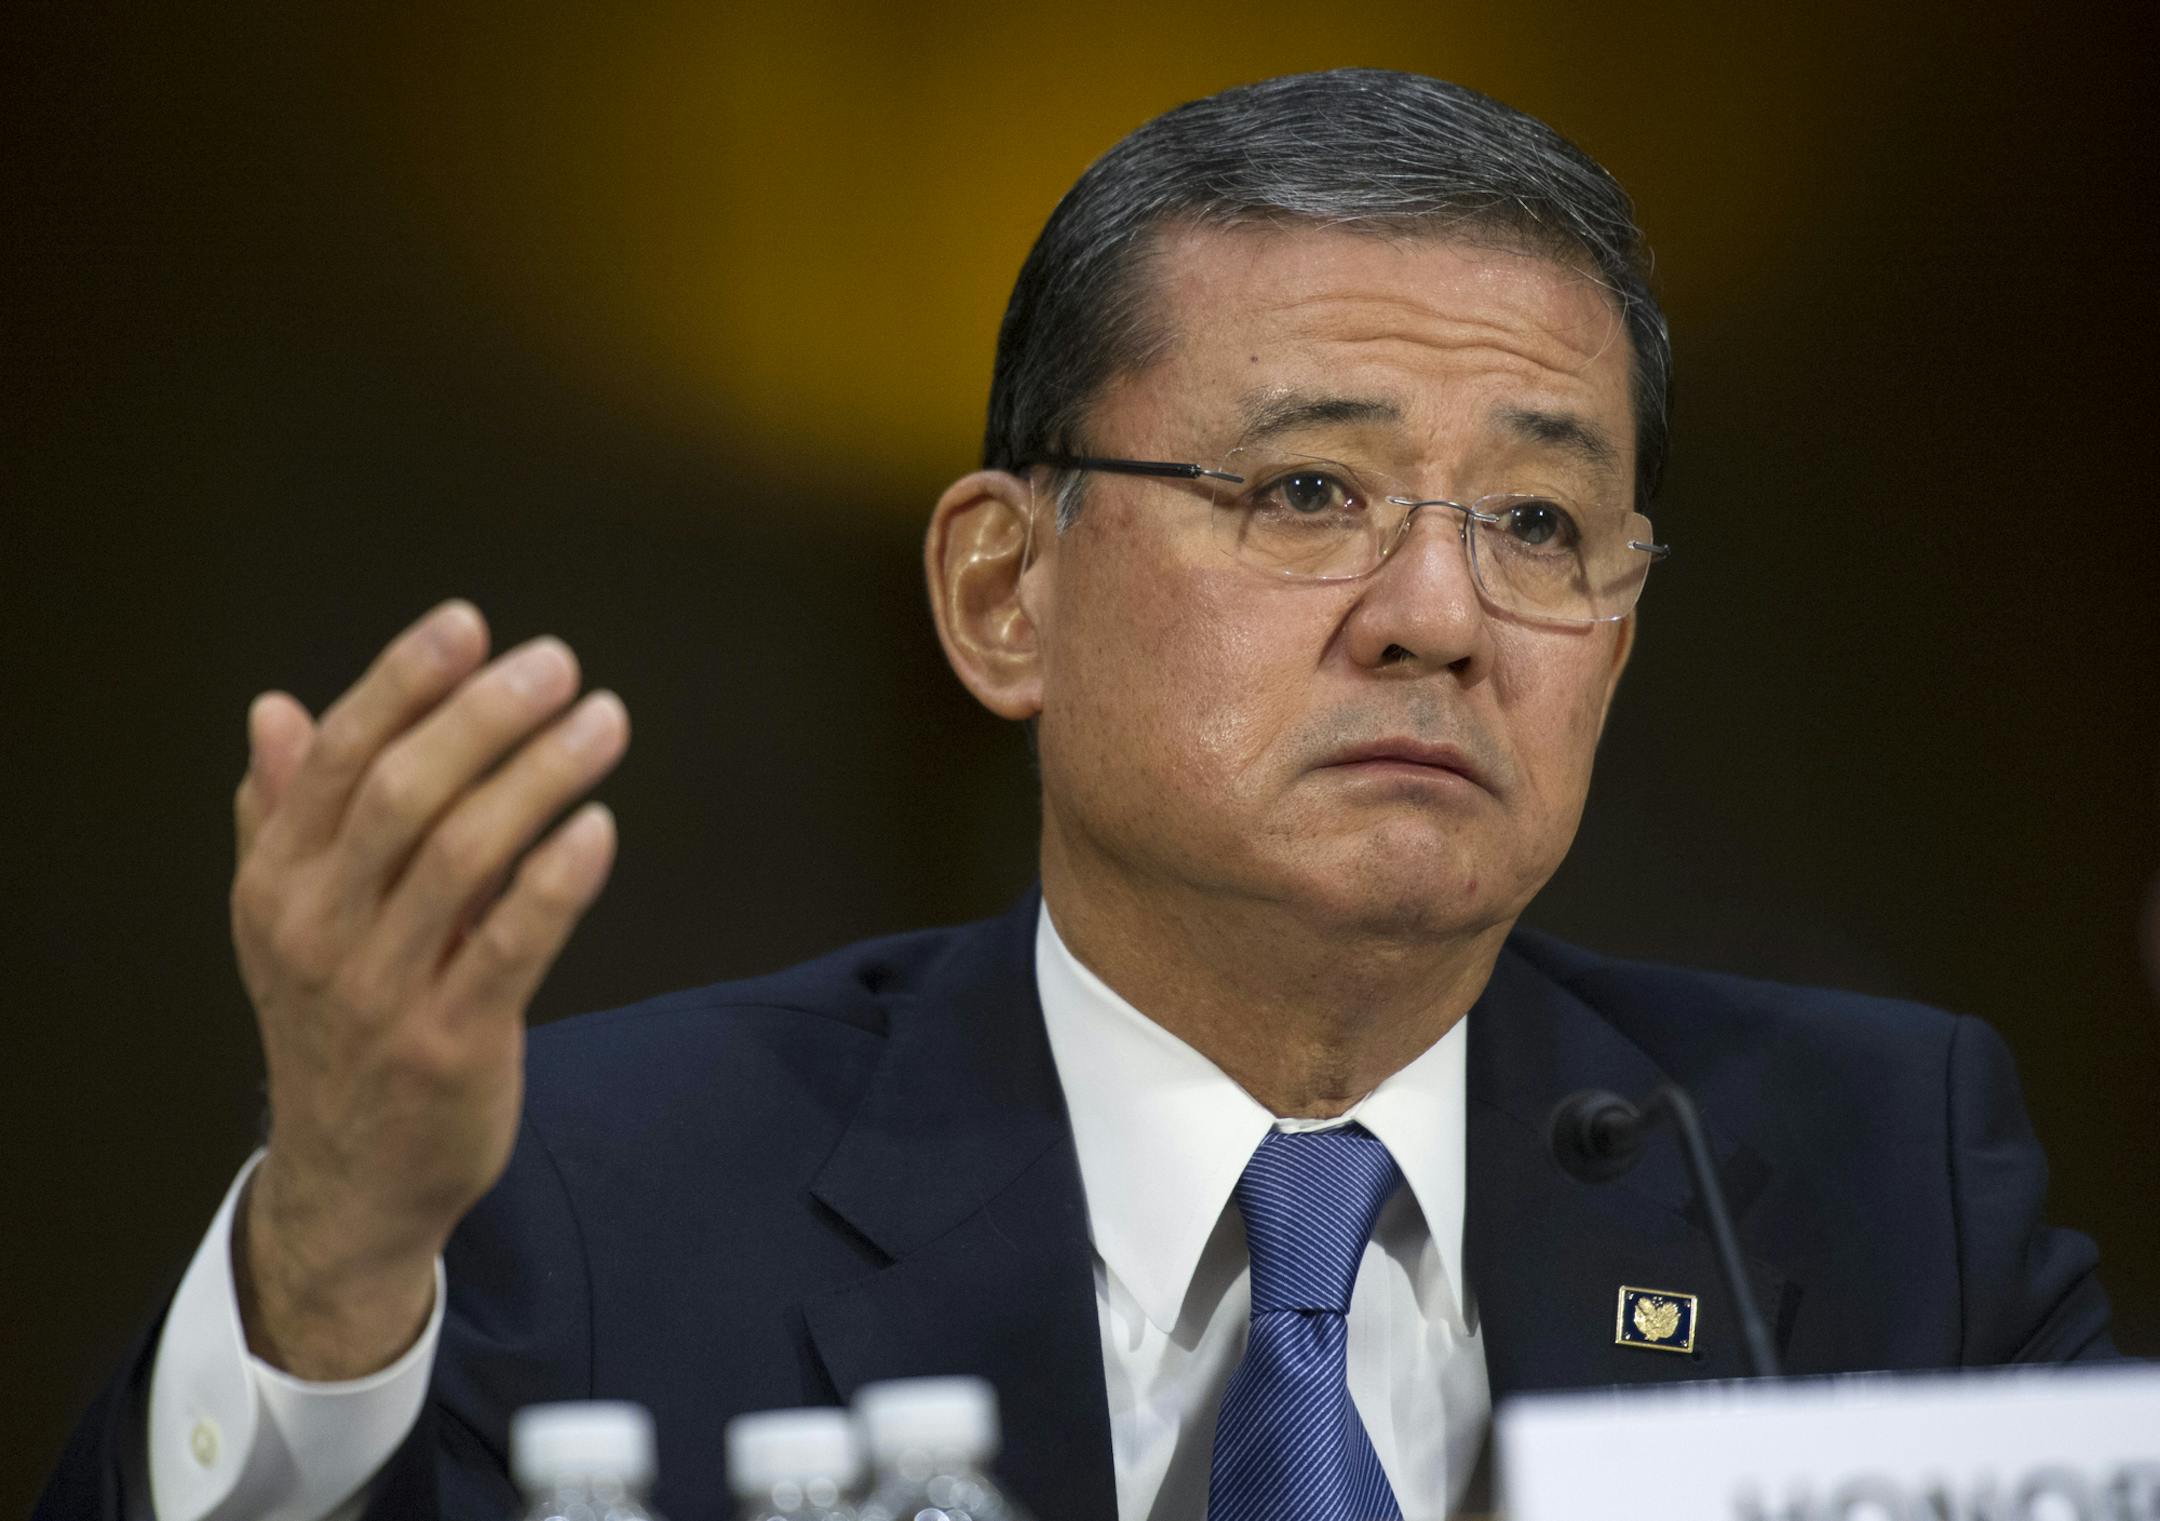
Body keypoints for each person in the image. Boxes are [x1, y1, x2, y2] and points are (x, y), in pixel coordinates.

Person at [39, 68, 2113, 1521]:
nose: (1440, 615)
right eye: (1309, 490)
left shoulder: (1867, 1174)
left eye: (1547, 524)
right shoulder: (585, 1196)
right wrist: (327, 1255)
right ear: (1002, 590)